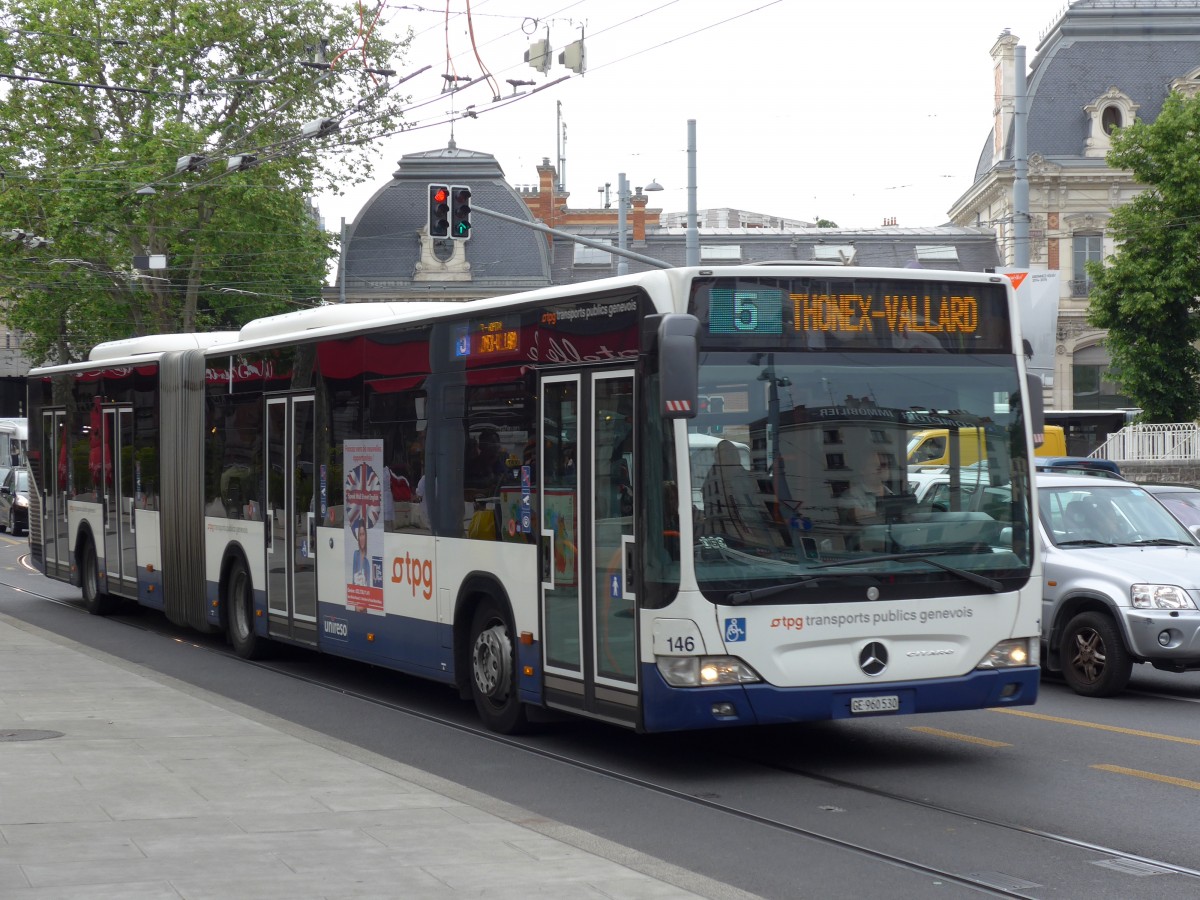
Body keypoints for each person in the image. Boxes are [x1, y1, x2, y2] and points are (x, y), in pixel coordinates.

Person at [350, 519, 372, 585]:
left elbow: (368, 584)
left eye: (363, 534)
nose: (362, 538)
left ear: (366, 536)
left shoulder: (368, 561)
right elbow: (353, 579)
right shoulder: (355, 555)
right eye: (360, 535)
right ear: (358, 537)